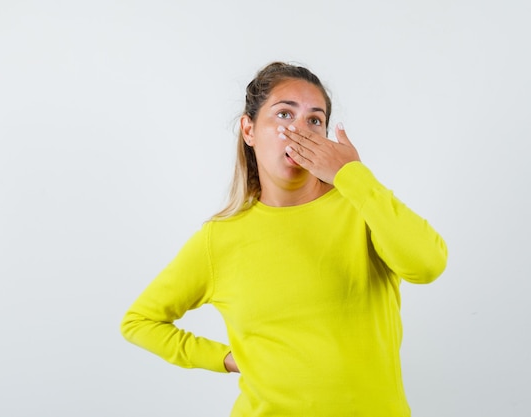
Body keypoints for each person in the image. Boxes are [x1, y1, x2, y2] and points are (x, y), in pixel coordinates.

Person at [120, 61, 448, 416]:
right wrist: (226, 359)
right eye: (284, 115)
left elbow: (427, 265)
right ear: (249, 129)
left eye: (314, 120)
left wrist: (353, 176)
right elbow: (139, 322)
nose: (300, 132)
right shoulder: (219, 238)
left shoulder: (363, 207)